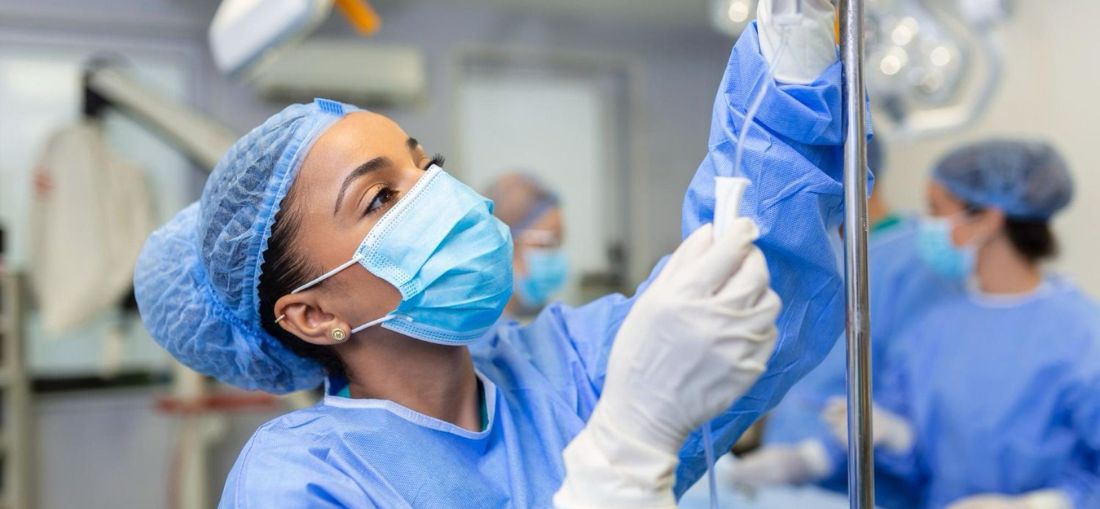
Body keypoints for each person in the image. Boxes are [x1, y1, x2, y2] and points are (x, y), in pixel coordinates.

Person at [133, 0, 854, 505]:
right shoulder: (301, 481)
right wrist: (621, 459)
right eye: (380, 198)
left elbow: (759, 273)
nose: (436, 193)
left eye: (426, 163)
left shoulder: (560, 367)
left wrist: (793, 49)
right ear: (314, 314)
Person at [824, 139, 1100, 509]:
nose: (927, 226)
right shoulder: (932, 325)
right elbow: (928, 457)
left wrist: (1044, 504)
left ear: (988, 219)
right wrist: (896, 436)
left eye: (937, 210)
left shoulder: (1083, 335)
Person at [730, 138, 961, 508]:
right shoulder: (823, 255)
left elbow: (911, 395)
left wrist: (818, 455)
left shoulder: (916, 264)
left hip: (870, 487)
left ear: (847, 174)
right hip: (787, 478)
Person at [484, 172, 568, 316]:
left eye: (559, 242)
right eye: (545, 244)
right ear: (504, 247)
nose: (555, 254)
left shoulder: (550, 320)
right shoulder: (478, 326)